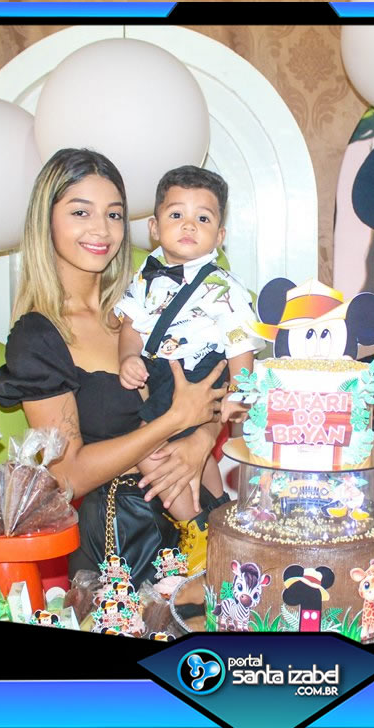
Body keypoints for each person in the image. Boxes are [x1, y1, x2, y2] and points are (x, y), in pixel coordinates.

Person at [0, 149, 228, 587]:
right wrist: (173, 423)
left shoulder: (145, 308)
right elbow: (67, 475)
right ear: (46, 221)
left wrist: (201, 439)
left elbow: (209, 389)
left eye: (114, 214)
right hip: (124, 549)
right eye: (81, 212)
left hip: (203, 516)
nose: (101, 229)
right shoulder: (38, 336)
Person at [116, 166, 262, 505]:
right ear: (154, 227)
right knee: (190, 449)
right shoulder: (145, 274)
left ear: (220, 236)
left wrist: (239, 391)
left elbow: (241, 344)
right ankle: (217, 509)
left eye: (203, 218)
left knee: (148, 449)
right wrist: (128, 357)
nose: (189, 225)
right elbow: (131, 324)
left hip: (198, 371)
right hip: (159, 370)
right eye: (176, 214)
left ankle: (193, 522)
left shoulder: (224, 286)